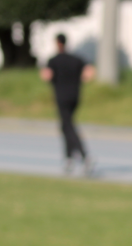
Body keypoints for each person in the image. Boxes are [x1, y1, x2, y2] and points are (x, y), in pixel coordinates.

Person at [39, 33, 95, 175]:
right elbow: (89, 73)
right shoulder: (76, 59)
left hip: (61, 96)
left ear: (57, 43)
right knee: (65, 126)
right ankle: (68, 159)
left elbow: (46, 76)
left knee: (68, 126)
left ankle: (84, 156)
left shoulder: (54, 60)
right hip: (75, 96)